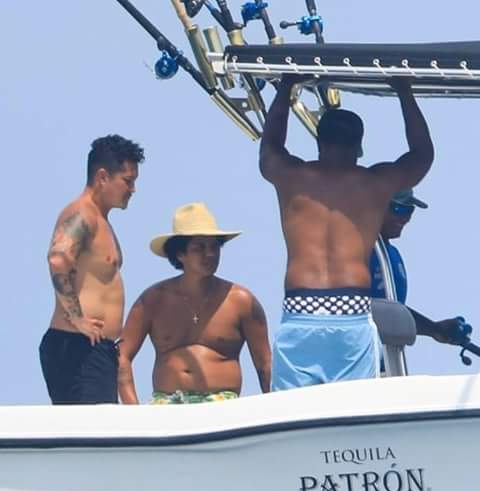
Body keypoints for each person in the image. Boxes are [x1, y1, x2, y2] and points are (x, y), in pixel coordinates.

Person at [259, 76, 434, 391]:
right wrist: (404, 91)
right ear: (358, 147)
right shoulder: (375, 183)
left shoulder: (291, 177)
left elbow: (270, 147)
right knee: (352, 409)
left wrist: (286, 87)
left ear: (319, 142)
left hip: (301, 310)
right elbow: (422, 155)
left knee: (294, 413)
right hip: (351, 312)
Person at [118, 202, 271, 404]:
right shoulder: (153, 300)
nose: (210, 254)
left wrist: (274, 411)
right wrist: (134, 412)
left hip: (224, 406)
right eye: (199, 248)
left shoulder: (241, 301)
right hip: (166, 405)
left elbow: (265, 364)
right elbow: (121, 356)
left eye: (214, 247)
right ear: (180, 254)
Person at [39, 134, 145, 404]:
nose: (133, 189)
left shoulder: (101, 220)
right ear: (102, 177)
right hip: (77, 347)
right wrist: (77, 319)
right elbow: (58, 259)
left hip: (96, 349)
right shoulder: (82, 213)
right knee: (93, 428)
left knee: (104, 426)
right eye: (127, 181)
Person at [371, 188, 466, 344]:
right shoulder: (353, 250)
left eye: (409, 211)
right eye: (398, 209)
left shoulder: (392, 253)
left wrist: (434, 329)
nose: (405, 218)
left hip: (385, 354)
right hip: (356, 352)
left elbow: (392, 313)